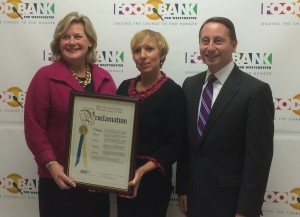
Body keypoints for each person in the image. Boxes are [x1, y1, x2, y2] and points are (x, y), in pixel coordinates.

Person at [176, 17, 274, 217]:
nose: (210, 47)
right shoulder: (190, 86)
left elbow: (258, 159)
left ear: (234, 45)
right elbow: (187, 145)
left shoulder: (255, 91)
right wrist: (183, 189)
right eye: (205, 41)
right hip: (194, 199)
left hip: (231, 204)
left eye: (218, 41)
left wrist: (246, 210)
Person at [24, 12, 116, 217]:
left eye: (78, 36)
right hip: (58, 181)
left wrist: (107, 173)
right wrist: (51, 164)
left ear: (90, 41)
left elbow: (113, 130)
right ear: (58, 43)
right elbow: (34, 127)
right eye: (65, 37)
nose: (71, 42)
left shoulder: (105, 78)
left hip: (96, 184)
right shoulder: (44, 77)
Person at [116, 29, 186, 217]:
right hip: (123, 176)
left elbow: (174, 144)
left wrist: (142, 170)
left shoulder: (173, 93)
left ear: (162, 54)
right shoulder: (123, 87)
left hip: (154, 180)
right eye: (137, 50)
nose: (143, 56)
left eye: (149, 49)